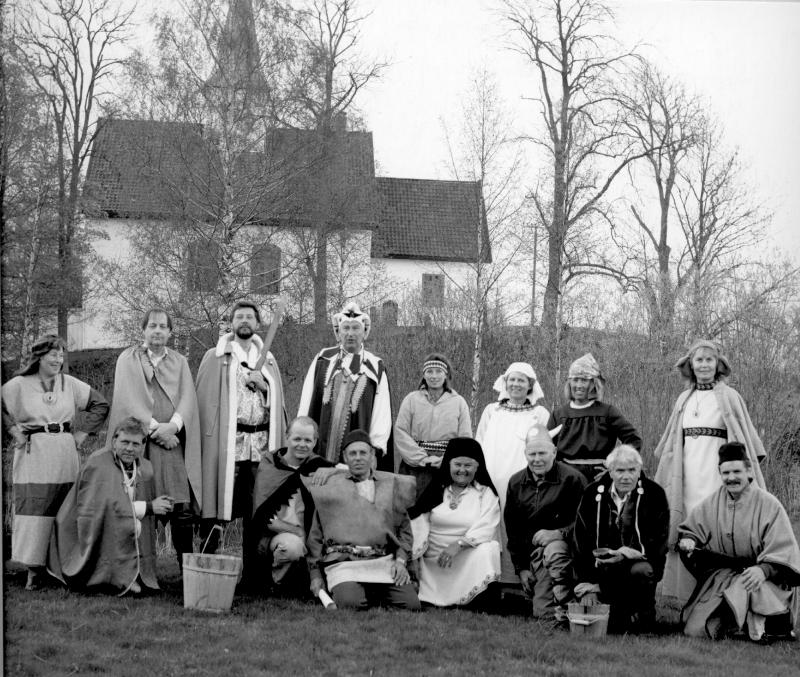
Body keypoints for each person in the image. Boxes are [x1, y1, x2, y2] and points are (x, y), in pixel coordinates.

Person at [654, 339, 767, 604]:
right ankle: (685, 599)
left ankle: (723, 596)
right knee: (687, 528)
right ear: (691, 365)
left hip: (717, 475)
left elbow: (743, 437)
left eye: (709, 360)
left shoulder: (730, 396)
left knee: (717, 526)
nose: (704, 365)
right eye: (699, 360)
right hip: (687, 476)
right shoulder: (683, 399)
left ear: (718, 365)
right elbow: (671, 443)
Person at [1, 335, 109, 590]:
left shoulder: (69, 384)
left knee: (65, 506)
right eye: (53, 354)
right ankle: (34, 569)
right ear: (39, 356)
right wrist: (14, 432)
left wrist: (82, 433)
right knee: (35, 509)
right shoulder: (19, 384)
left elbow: (100, 404)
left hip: (64, 450)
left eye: (61, 355)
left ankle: (63, 566)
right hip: (33, 452)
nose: (58, 360)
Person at [195, 300, 287, 587]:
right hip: (227, 446)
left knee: (255, 512)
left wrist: (266, 387)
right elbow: (204, 401)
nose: (244, 320)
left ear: (258, 323)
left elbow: (279, 404)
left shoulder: (268, 359)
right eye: (239, 317)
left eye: (250, 316)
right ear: (231, 323)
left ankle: (253, 577)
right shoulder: (215, 356)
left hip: (260, 446)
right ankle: (206, 571)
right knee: (218, 509)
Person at [106, 308, 200, 569]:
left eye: (162, 326)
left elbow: (188, 397)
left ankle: (187, 573)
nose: (157, 331)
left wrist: (174, 426)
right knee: (141, 505)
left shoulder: (179, 361)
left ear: (170, 332)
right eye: (152, 326)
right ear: (143, 330)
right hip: (140, 445)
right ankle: (137, 571)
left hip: (173, 446)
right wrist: (158, 430)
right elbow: (128, 399)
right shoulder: (128, 359)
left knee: (180, 507)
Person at [678, 442, 799, 642]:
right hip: (725, 577)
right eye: (726, 473)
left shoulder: (769, 505)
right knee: (695, 630)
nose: (731, 477)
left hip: (762, 580)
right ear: (720, 473)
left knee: (748, 587)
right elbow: (690, 530)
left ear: (749, 471)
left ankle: (774, 623)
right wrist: (689, 540)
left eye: (736, 471)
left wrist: (764, 570)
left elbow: (785, 551)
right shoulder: (712, 502)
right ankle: (743, 625)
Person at [49, 418, 173, 595]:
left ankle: (134, 575)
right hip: (83, 529)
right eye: (125, 442)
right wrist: (149, 507)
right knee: (128, 524)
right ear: (114, 441)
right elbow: (101, 510)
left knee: (137, 525)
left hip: (121, 519)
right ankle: (114, 578)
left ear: (143, 446)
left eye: (135, 444)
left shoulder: (145, 467)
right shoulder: (98, 463)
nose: (129, 448)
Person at [306, 430, 420, 611]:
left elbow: (404, 532)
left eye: (363, 453)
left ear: (372, 455)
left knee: (411, 605)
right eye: (352, 454)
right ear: (345, 457)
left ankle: (372, 592)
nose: (358, 458)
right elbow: (315, 536)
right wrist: (315, 575)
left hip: (383, 562)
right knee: (350, 603)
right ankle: (358, 592)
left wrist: (400, 562)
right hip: (344, 564)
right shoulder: (331, 487)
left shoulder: (391, 485)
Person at [573, 445, 669, 633]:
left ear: (639, 470)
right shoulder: (593, 493)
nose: (626, 477)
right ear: (610, 471)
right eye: (620, 471)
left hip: (636, 565)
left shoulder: (654, 494)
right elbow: (580, 541)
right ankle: (615, 613)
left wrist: (625, 554)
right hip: (601, 567)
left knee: (643, 571)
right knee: (611, 625)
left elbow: (658, 542)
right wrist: (586, 585)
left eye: (632, 470)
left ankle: (643, 617)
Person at [475, 362, 550, 584]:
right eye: (512, 379)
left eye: (521, 380)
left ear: (530, 385)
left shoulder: (539, 413)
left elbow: (545, 447)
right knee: (490, 523)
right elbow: (479, 442)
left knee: (518, 525)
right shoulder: (492, 410)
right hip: (491, 478)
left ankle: (517, 580)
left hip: (523, 481)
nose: (516, 384)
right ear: (505, 383)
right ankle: (489, 579)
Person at [505, 424, 587, 620]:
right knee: (543, 614)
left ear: (554, 452)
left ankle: (572, 599)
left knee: (553, 549)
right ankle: (557, 601)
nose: (537, 459)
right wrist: (521, 568)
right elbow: (513, 530)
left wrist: (560, 533)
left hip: (566, 554)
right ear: (525, 454)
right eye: (532, 454)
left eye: (542, 453)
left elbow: (587, 524)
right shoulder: (516, 483)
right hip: (535, 558)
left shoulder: (573, 480)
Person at [297, 302, 393, 469]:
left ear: (364, 332)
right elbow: (307, 400)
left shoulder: (375, 366)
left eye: (355, 328)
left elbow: (381, 413)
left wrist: (376, 449)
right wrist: (301, 434)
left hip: (357, 454)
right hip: (320, 449)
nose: (350, 334)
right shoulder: (323, 359)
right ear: (338, 333)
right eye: (346, 328)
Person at [408, 437, 501, 608]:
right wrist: (414, 554)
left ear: (477, 466)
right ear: (448, 464)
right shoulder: (437, 490)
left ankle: (477, 600)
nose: (462, 470)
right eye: (457, 464)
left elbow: (487, 525)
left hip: (466, 556)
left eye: (468, 465)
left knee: (490, 548)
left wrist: (458, 545)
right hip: (433, 559)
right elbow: (419, 521)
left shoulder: (485, 492)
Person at [251, 416, 334, 597]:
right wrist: (297, 532)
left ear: (315, 442)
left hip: (312, 535)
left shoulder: (318, 466)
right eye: (297, 439)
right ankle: (277, 584)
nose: (302, 445)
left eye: (308, 440)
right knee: (292, 548)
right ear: (287, 437)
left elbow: (350, 471)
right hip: (277, 535)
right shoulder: (271, 465)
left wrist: (331, 471)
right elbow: (265, 518)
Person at [548, 353, 641, 482]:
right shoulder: (558, 415)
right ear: (569, 383)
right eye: (575, 380)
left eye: (584, 380)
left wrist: (614, 468)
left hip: (598, 479)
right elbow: (547, 448)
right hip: (565, 480)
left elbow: (633, 440)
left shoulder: (607, 412)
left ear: (593, 384)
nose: (579, 385)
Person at [395, 353, 472, 498]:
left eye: (438, 371)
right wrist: (422, 459)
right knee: (410, 507)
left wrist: (447, 459)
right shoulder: (411, 400)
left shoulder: (459, 402)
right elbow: (401, 432)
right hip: (414, 467)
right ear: (424, 375)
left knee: (444, 508)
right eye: (429, 371)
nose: (434, 376)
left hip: (447, 467)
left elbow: (465, 439)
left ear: (446, 375)